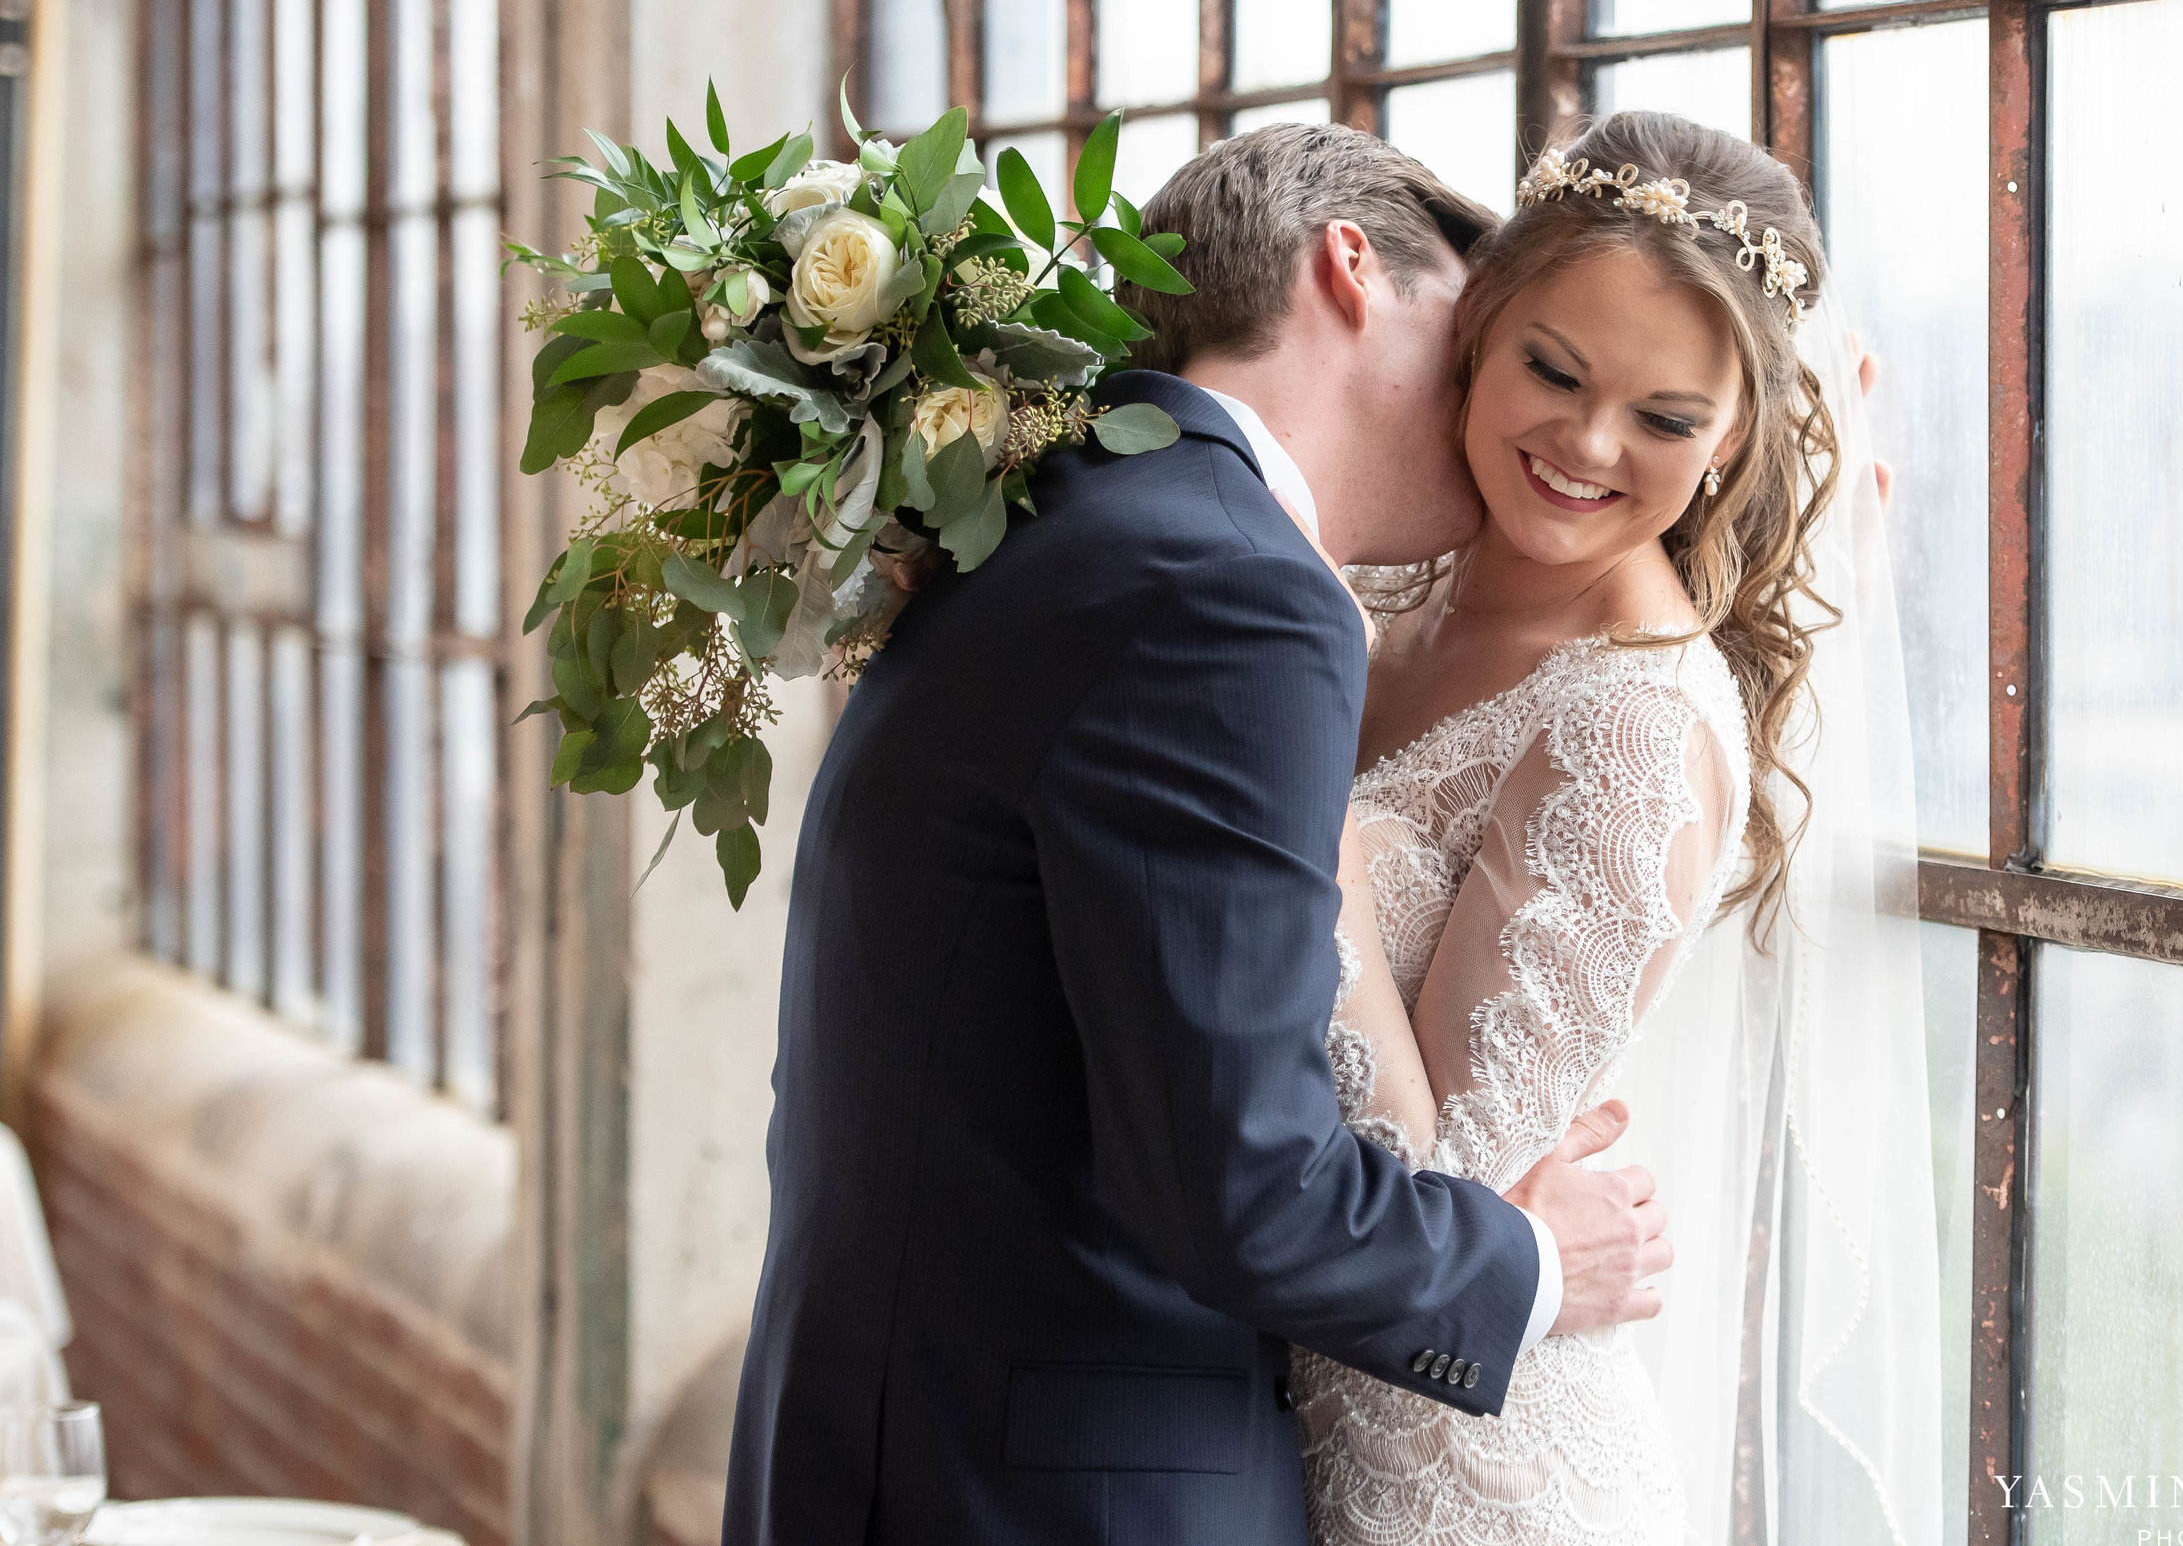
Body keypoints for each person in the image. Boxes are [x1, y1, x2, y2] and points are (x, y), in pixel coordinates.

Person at [721, 123, 1677, 1546]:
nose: (1498, 416)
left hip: (891, 1445)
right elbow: (1239, 1183)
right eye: (1487, 343)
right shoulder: (1230, 586)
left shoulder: (1057, 522)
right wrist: (1536, 1263)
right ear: (1350, 269)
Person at [1139, 112, 1943, 1546]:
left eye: (1666, 419)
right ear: (1480, 326)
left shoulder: (1635, 721)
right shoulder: (1381, 586)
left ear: (1738, 433)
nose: (1583, 445)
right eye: (1551, 371)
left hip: (1460, 1476)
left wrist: (1290, 825)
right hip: (1238, 1423)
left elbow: (1440, 1196)